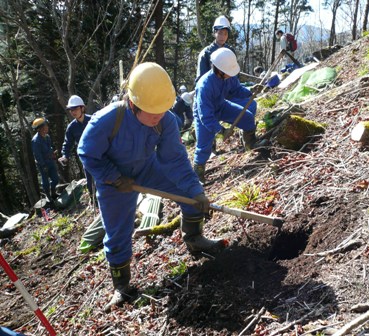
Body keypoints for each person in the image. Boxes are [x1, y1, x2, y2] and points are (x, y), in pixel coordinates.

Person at [77, 62, 226, 312]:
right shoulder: (106, 121)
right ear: (134, 104)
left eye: (163, 110)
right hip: (114, 183)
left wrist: (196, 190)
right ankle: (122, 286)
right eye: (153, 111)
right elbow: (87, 154)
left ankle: (194, 238)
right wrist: (113, 177)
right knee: (117, 233)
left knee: (188, 193)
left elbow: (175, 159)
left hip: (148, 168)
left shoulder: (165, 119)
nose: (160, 115)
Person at [193, 48, 258, 183]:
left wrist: (250, 92)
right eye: (228, 72)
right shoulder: (204, 86)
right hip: (204, 114)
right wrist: (221, 131)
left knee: (247, 117)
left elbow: (237, 90)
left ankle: (250, 143)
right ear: (218, 70)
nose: (230, 75)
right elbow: (205, 116)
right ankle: (198, 172)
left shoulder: (229, 77)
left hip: (221, 106)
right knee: (204, 145)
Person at [59, 95, 95, 200]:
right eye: (71, 109)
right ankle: (95, 202)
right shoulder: (72, 127)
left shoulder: (93, 120)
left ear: (82, 108)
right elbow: (67, 143)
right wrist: (65, 156)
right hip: (86, 158)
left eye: (75, 109)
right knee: (90, 182)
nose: (73, 112)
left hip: (100, 154)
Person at [195, 15, 236, 84]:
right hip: (211, 91)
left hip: (228, 91)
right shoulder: (206, 53)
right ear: (214, 33)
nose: (223, 36)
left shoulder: (230, 51)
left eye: (225, 34)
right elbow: (201, 79)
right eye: (220, 33)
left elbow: (234, 76)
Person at [31, 118, 59, 202]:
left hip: (50, 161)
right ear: (40, 128)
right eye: (45, 125)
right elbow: (37, 155)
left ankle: (53, 192)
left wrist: (53, 154)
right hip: (42, 163)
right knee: (45, 181)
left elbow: (49, 148)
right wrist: (43, 165)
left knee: (55, 179)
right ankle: (48, 196)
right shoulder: (35, 141)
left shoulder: (47, 137)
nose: (47, 127)